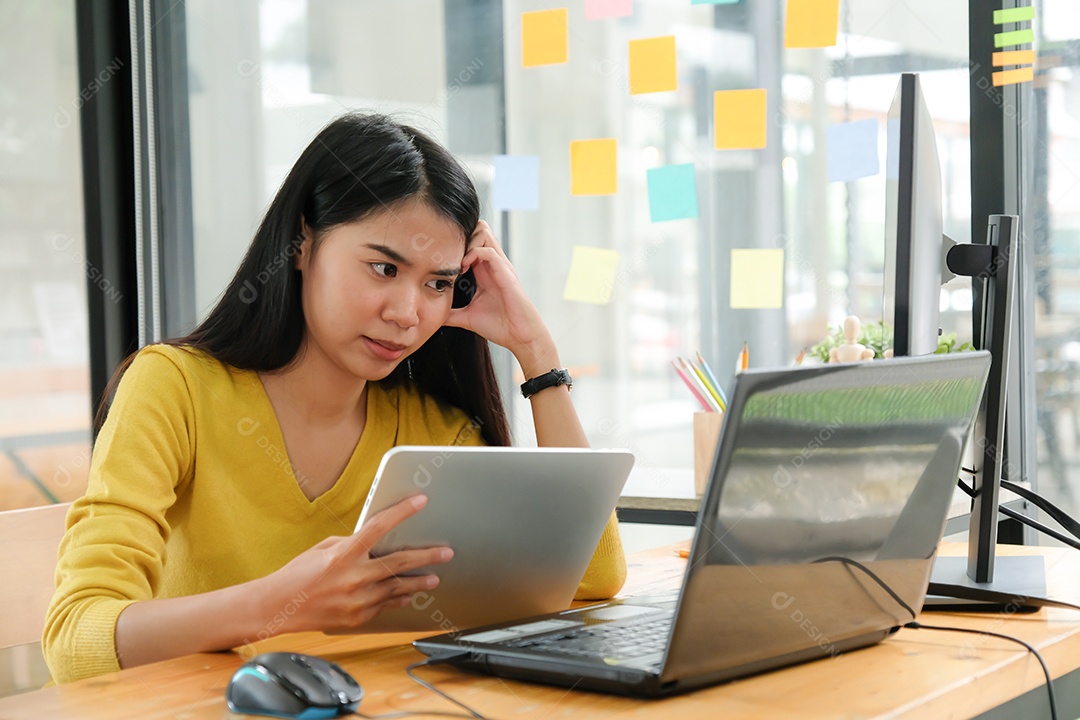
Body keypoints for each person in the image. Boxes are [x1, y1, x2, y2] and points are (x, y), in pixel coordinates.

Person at [43, 113, 625, 684]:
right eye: (382, 267)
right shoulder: (174, 387)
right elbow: (76, 638)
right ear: (302, 242)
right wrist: (282, 602)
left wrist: (536, 352)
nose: (406, 314)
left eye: (438, 283)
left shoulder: (435, 427)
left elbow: (592, 577)